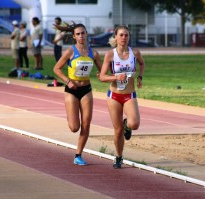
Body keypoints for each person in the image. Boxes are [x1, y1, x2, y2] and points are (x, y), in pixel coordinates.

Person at [53, 23, 102, 166]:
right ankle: (70, 113)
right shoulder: (70, 52)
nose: (81, 36)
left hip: (86, 90)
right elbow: (56, 69)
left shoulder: (94, 53)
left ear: (87, 34)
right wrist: (68, 81)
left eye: (83, 33)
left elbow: (103, 71)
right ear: (74, 36)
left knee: (86, 124)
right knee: (75, 127)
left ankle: (78, 155)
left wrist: (101, 74)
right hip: (72, 90)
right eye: (78, 34)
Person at [99, 25, 145, 169]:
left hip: (129, 95)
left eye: (126, 35)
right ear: (116, 37)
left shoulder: (135, 53)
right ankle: (119, 157)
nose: (124, 38)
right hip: (114, 96)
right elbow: (102, 76)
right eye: (121, 35)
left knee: (134, 124)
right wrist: (116, 77)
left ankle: (127, 125)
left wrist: (140, 77)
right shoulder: (110, 55)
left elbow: (142, 64)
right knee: (117, 130)